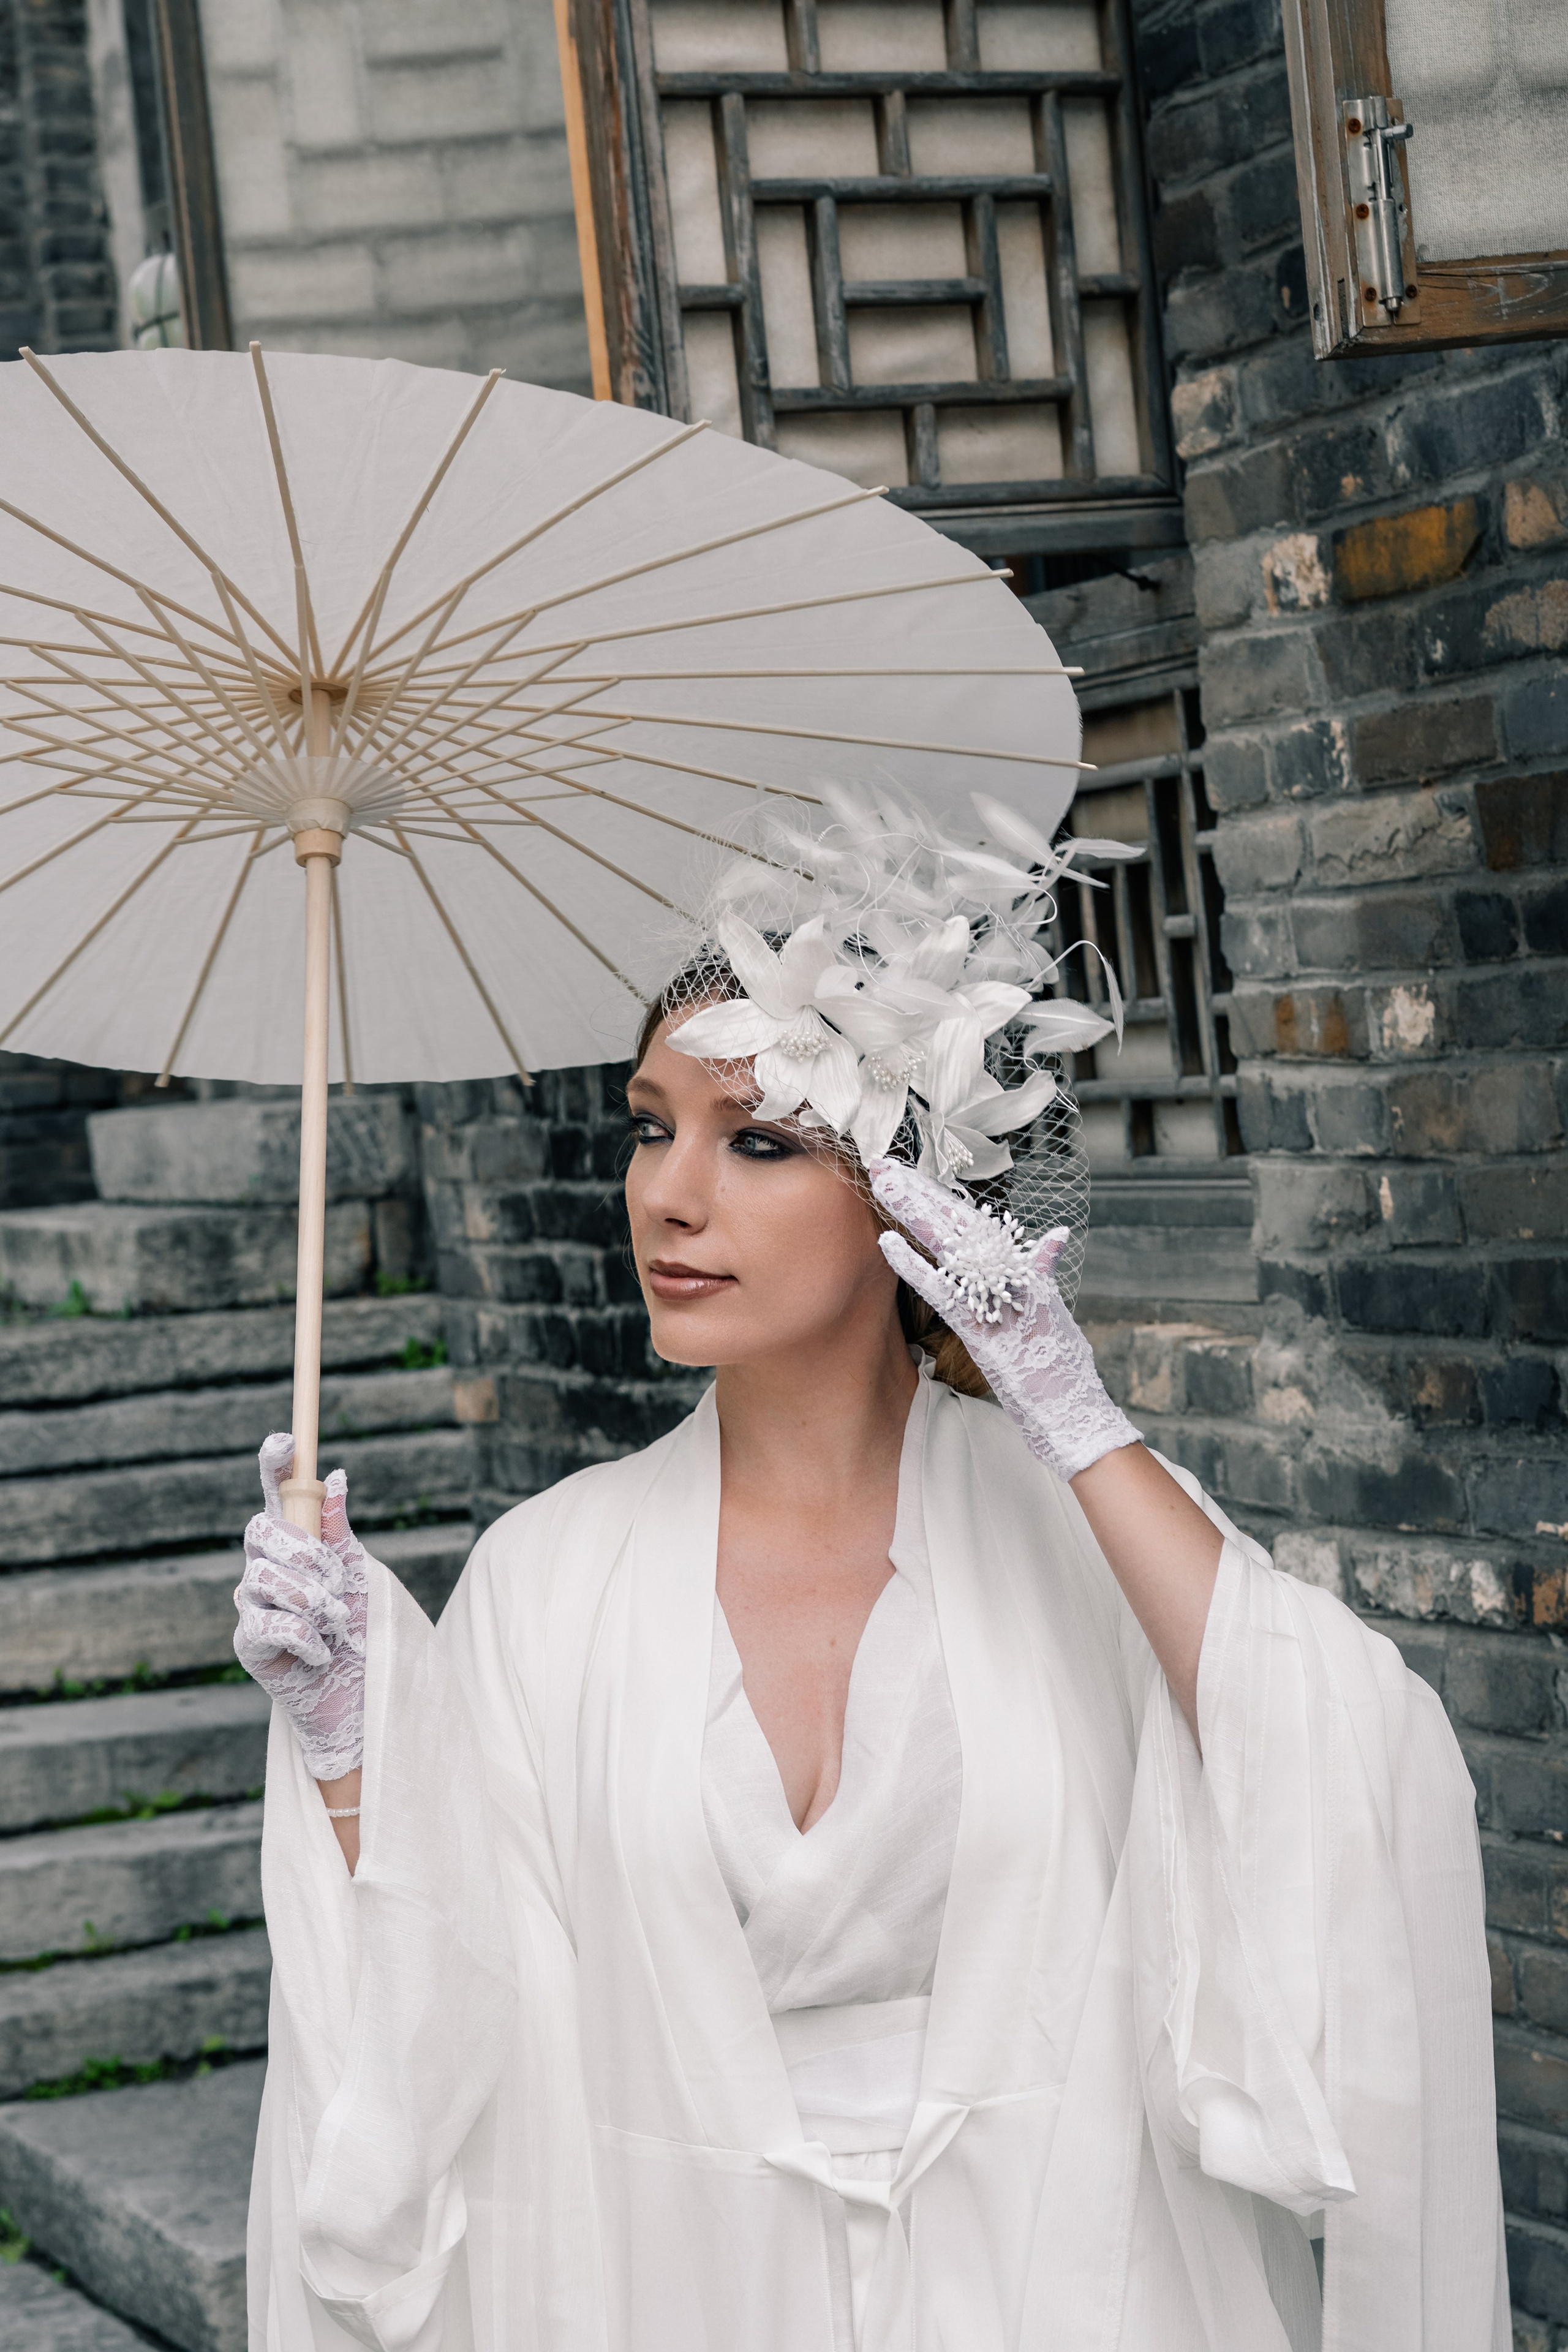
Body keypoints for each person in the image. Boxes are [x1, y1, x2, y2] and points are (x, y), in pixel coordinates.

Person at [236, 798, 1507, 2352]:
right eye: (651, 1125)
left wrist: (1083, 1432)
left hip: (1071, 2285)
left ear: (913, 1198)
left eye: (756, 1139)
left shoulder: (1078, 1527)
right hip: (675, 2292)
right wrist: (356, 1744)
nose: (666, 1194)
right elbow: (445, 2024)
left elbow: (1341, 1765)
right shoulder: (544, 1574)